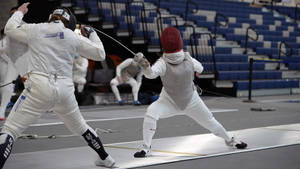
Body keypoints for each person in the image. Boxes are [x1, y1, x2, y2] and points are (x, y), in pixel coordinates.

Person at [0, 3, 115, 168]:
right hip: (65, 92)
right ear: (68, 21)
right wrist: (92, 33)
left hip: (38, 88)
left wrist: (19, 13)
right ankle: (106, 159)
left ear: (51, 17)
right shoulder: (72, 36)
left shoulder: (36, 29)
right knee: (81, 127)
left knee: (10, 130)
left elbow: (9, 29)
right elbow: (100, 54)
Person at [133, 27, 247, 158]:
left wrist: (144, 63)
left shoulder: (166, 62)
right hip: (171, 100)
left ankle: (230, 139)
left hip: (189, 100)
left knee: (209, 121)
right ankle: (146, 147)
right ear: (180, 42)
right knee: (152, 113)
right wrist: (145, 64)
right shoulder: (180, 59)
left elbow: (151, 74)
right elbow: (200, 68)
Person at [0, 6, 29, 121]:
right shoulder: (9, 26)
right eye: (11, 13)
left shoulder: (26, 26)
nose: (13, 15)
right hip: (12, 61)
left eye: (15, 13)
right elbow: (7, 46)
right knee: (7, 84)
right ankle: (1, 110)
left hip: (25, 60)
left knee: (31, 86)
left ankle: (30, 110)